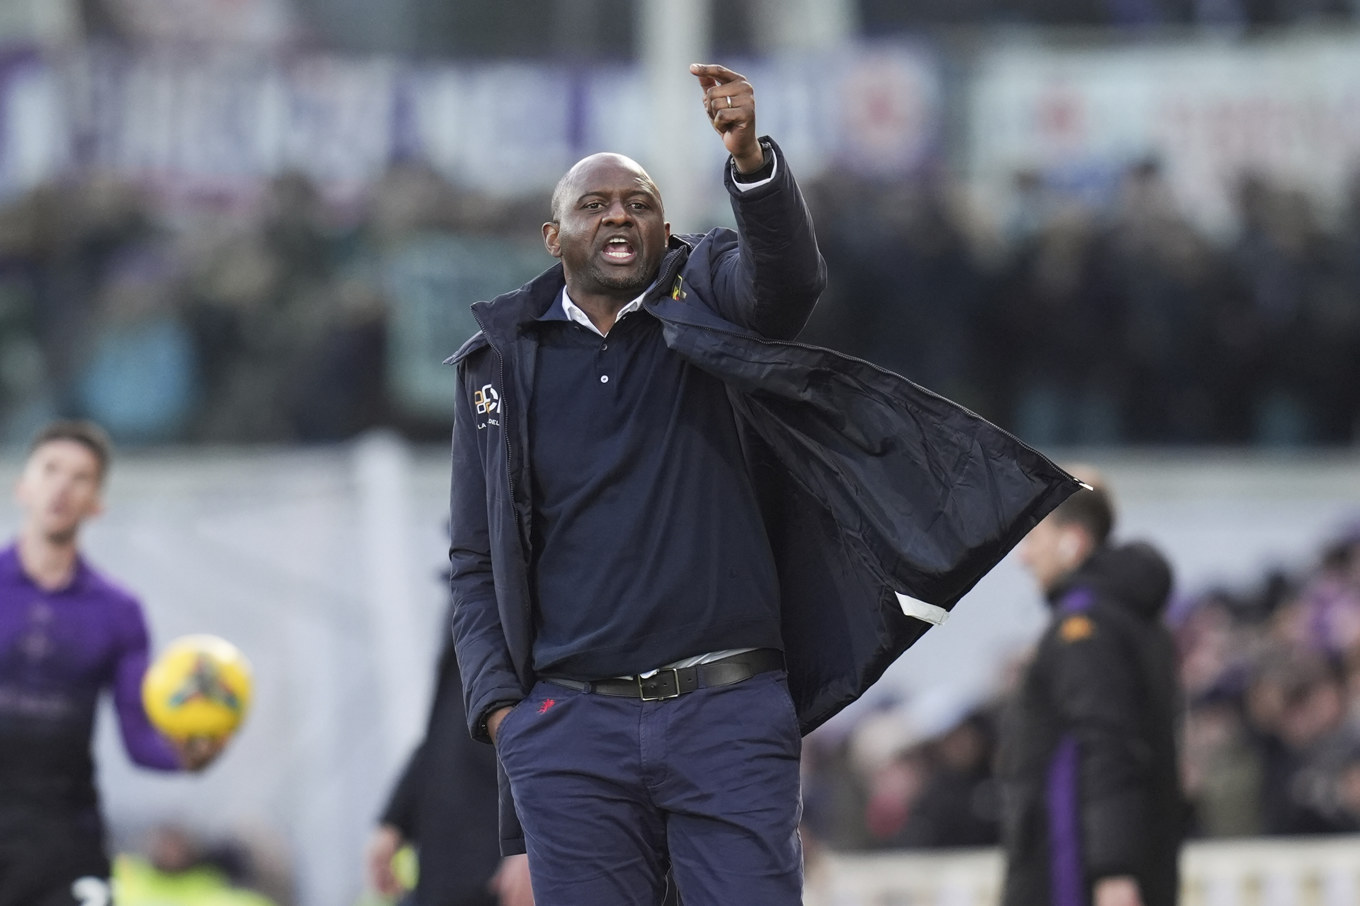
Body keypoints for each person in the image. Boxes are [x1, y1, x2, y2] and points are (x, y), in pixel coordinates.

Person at [446, 62, 1081, 906]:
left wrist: (750, 164)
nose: (619, 216)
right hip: (571, 728)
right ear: (552, 238)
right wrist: (504, 713)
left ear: (666, 228)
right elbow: (475, 557)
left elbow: (786, 286)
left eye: (638, 202)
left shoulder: (700, 292)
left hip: (725, 713)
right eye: (594, 205)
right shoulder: (497, 366)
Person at [0, 419, 225, 906]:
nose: (62, 486)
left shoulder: (117, 612)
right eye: (51, 469)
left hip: (63, 841)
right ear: (24, 486)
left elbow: (140, 738)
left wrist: (188, 757)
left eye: (80, 477)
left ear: (97, 503)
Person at [998, 471, 1185, 906]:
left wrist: (1113, 872)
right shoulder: (1133, 620)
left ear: (1073, 541)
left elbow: (1106, 747)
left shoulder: (1085, 628)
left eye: (1034, 538)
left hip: (1073, 875)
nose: (1023, 558)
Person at [365, 600, 533, 906]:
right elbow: (446, 725)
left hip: (502, 869)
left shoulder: (528, 571)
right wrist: (395, 819)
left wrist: (533, 845)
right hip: (444, 866)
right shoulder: (467, 583)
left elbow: (560, 722)